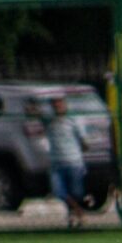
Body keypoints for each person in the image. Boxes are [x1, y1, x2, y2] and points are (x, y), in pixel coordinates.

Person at [43, 96, 89, 228]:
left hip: (73, 161)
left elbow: (84, 141)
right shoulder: (49, 120)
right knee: (59, 191)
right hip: (56, 162)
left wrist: (84, 147)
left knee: (76, 192)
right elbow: (32, 113)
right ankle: (80, 213)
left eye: (60, 102)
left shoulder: (74, 120)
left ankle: (73, 216)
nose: (57, 105)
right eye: (54, 103)